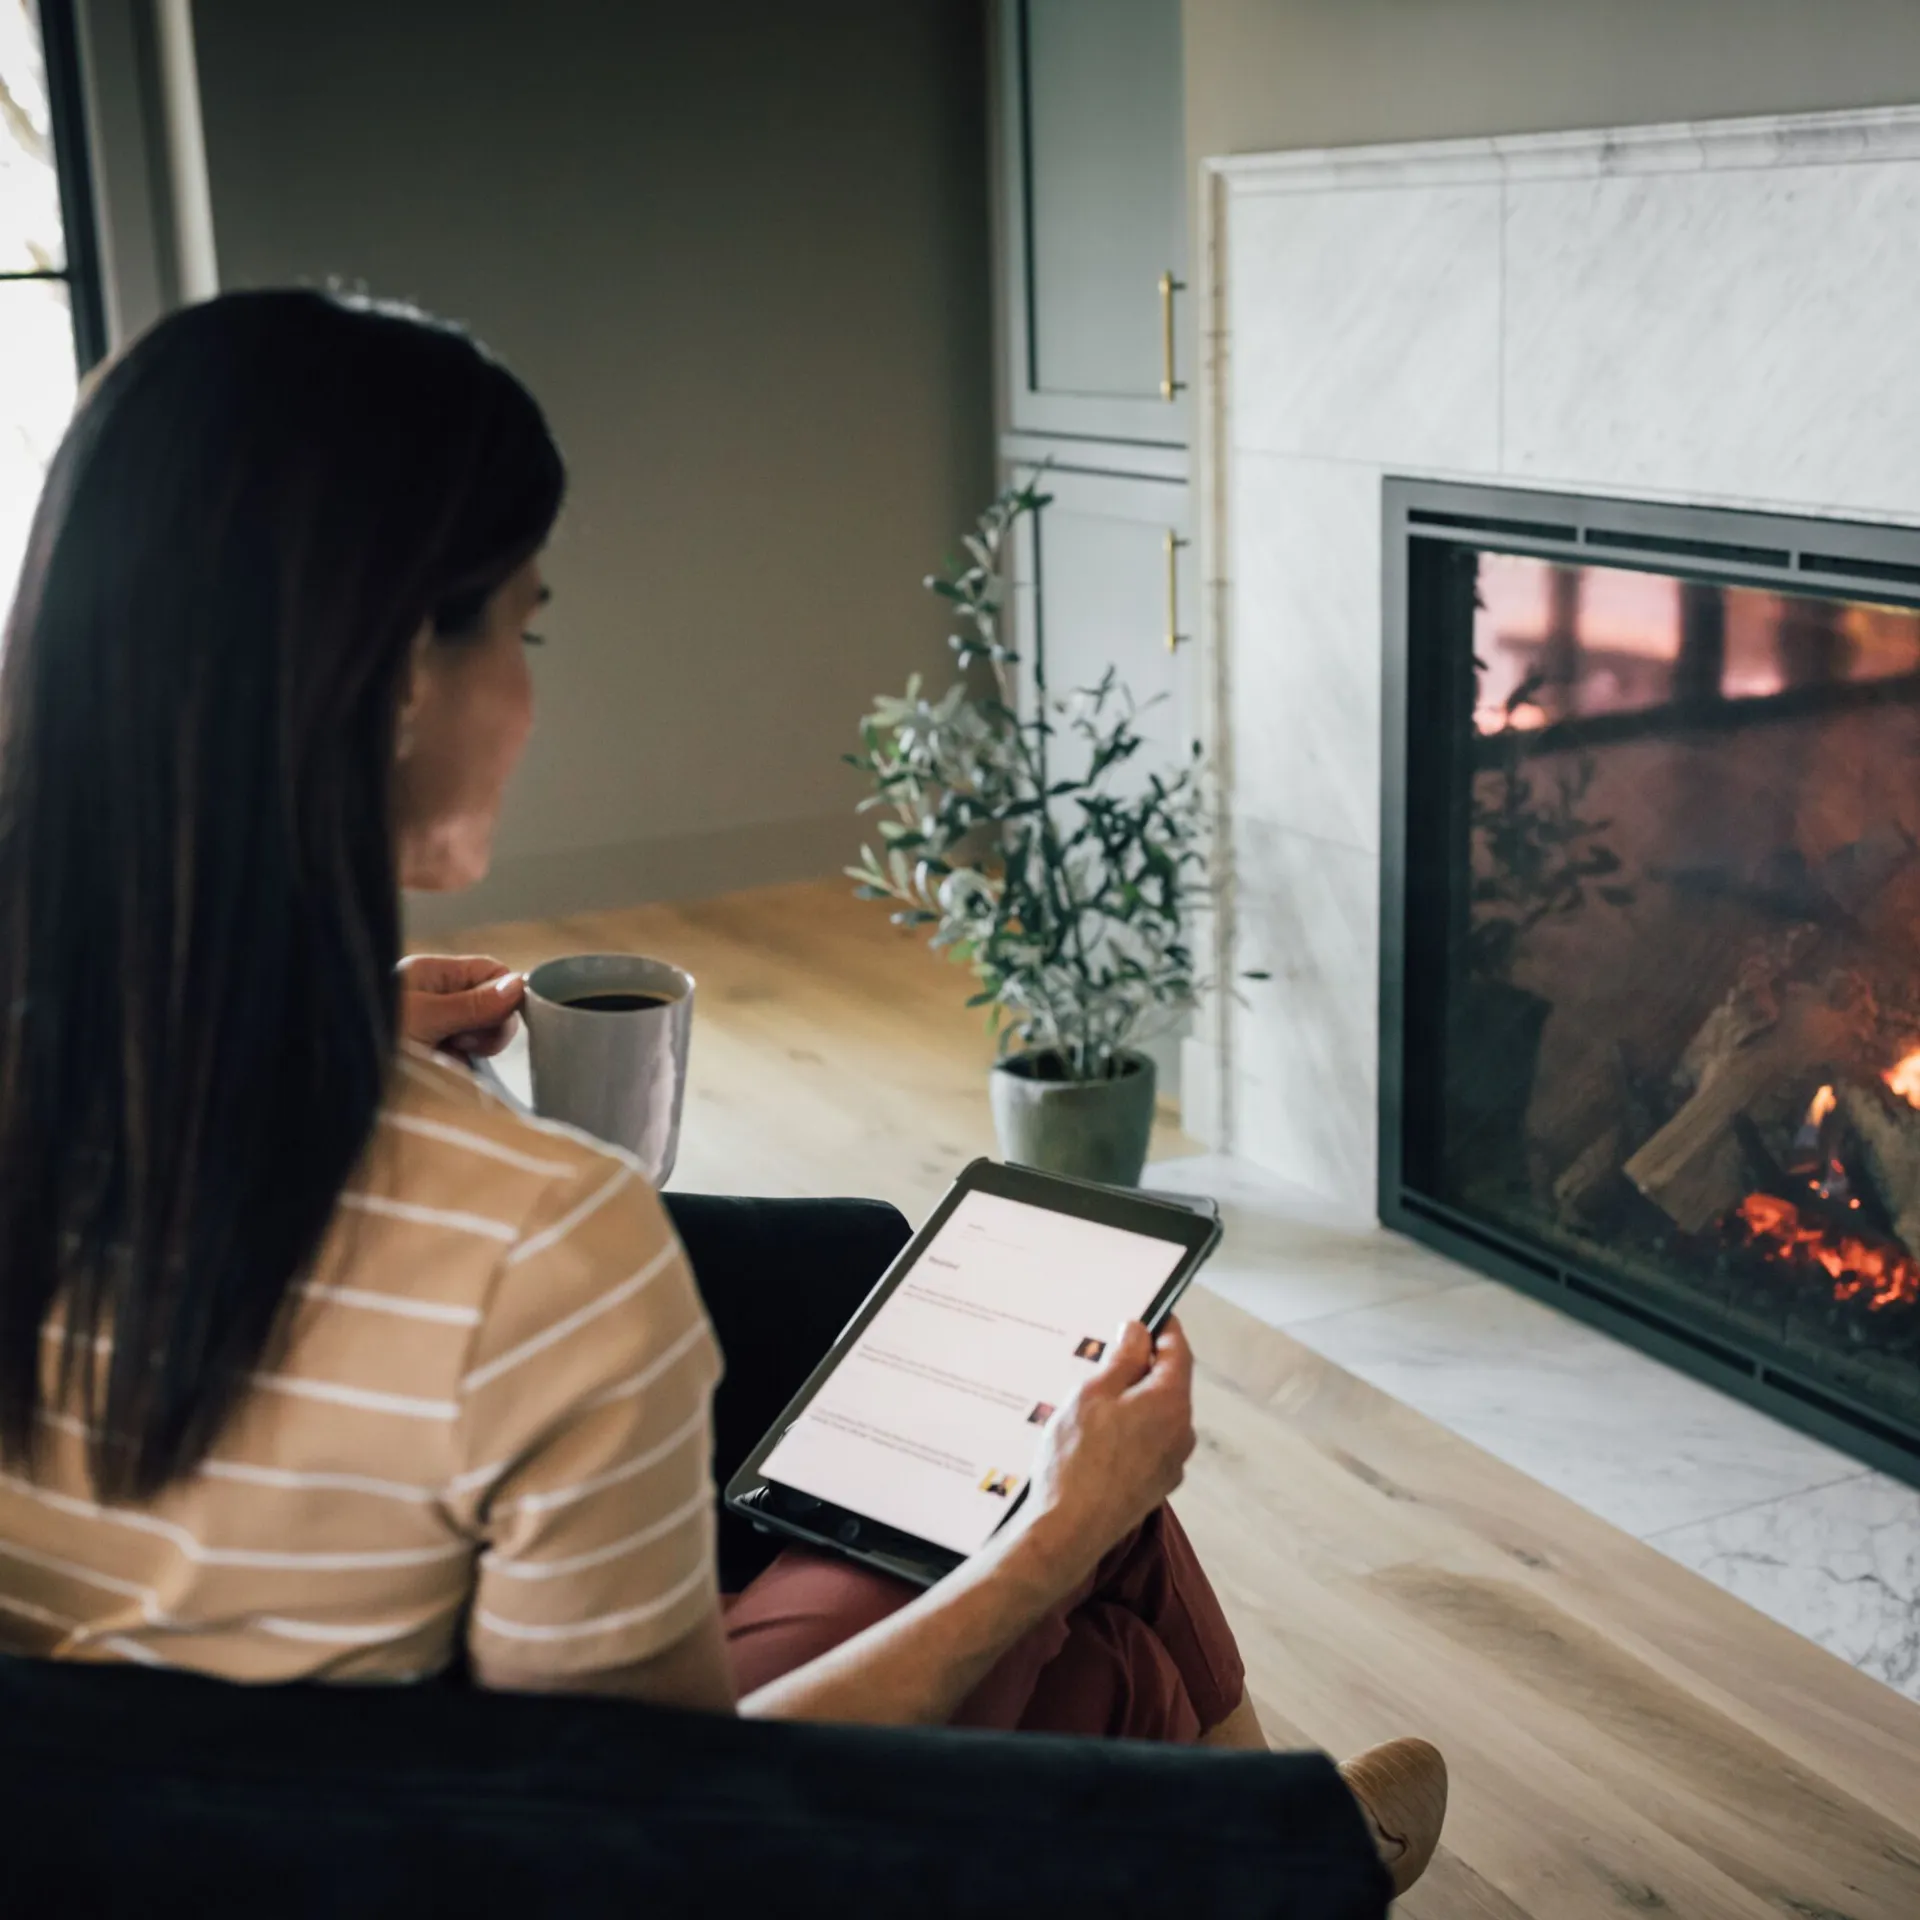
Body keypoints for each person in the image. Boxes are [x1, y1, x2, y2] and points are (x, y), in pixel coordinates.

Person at [0, 292, 1445, 1895]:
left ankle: (1283, 1837)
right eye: (524, 628)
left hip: (117, 1831)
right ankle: (1282, 1851)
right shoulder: (534, 1253)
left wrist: (330, 1027)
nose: (534, 696)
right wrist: (1049, 1542)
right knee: (1077, 1605)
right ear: (403, 674)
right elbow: (672, 1850)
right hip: (424, 1854)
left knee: (1004, 1426)